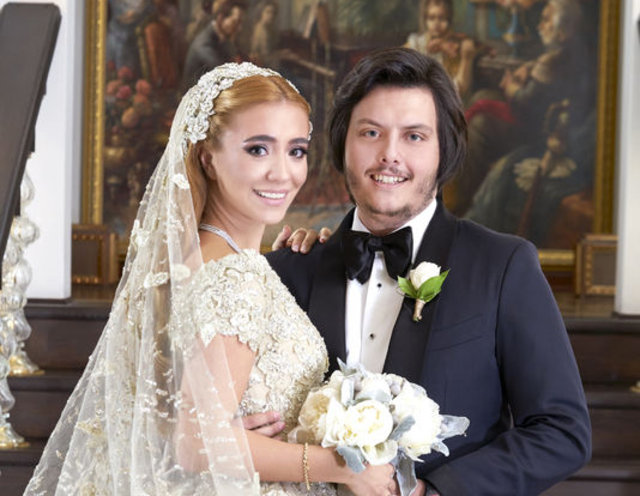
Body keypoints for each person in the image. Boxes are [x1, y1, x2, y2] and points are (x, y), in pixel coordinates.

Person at [24, 62, 396, 495]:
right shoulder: (234, 277)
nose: (283, 172)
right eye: (258, 149)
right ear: (207, 158)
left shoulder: (200, 261)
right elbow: (197, 442)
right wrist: (345, 467)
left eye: (296, 150)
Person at [266, 47, 591, 495]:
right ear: (343, 144)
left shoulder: (503, 266)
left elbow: (562, 431)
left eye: (414, 136)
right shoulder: (287, 270)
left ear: (445, 152)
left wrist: (435, 492)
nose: (389, 155)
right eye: (371, 132)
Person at [404, 0, 476, 98]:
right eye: (431, 18)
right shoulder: (416, 43)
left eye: (442, 18)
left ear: (449, 20)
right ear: (425, 20)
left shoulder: (453, 47)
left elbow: (459, 89)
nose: (436, 23)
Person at [182, 0, 247, 89]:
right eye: (236, 22)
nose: (239, 28)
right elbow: (226, 74)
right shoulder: (204, 45)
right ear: (220, 18)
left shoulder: (223, 39)